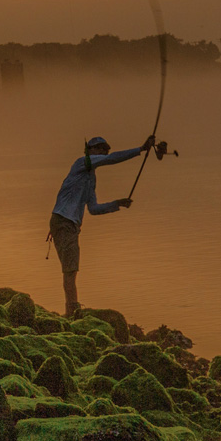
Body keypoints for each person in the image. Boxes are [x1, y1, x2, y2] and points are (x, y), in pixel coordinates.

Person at [49, 134, 155, 317]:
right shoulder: (81, 163)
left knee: (71, 270)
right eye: (101, 148)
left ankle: (72, 310)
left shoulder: (90, 179)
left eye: (106, 149)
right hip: (64, 221)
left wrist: (117, 204)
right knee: (70, 270)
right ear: (91, 150)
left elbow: (94, 209)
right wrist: (141, 149)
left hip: (70, 225)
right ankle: (73, 312)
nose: (104, 152)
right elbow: (111, 160)